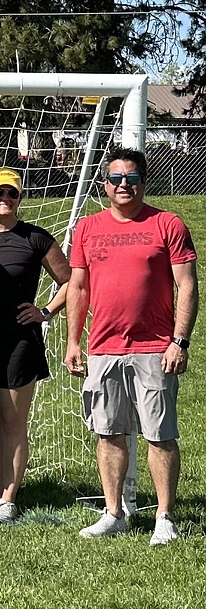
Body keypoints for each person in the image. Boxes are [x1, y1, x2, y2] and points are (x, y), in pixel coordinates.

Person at [65, 147, 198, 546]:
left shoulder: (167, 224)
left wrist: (179, 340)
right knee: (108, 432)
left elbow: (187, 285)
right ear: (105, 184)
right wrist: (74, 341)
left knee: (159, 433)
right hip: (104, 348)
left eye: (132, 178)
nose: (124, 185)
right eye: (116, 179)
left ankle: (164, 517)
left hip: (155, 348)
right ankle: (113, 512)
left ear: (143, 181)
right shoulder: (88, 228)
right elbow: (78, 286)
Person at [0, 168, 70, 524]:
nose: (4, 200)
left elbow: (71, 280)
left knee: (12, 421)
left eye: (12, 194)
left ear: (20, 199)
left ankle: (10, 497)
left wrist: (46, 311)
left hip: (18, 342)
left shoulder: (35, 238)